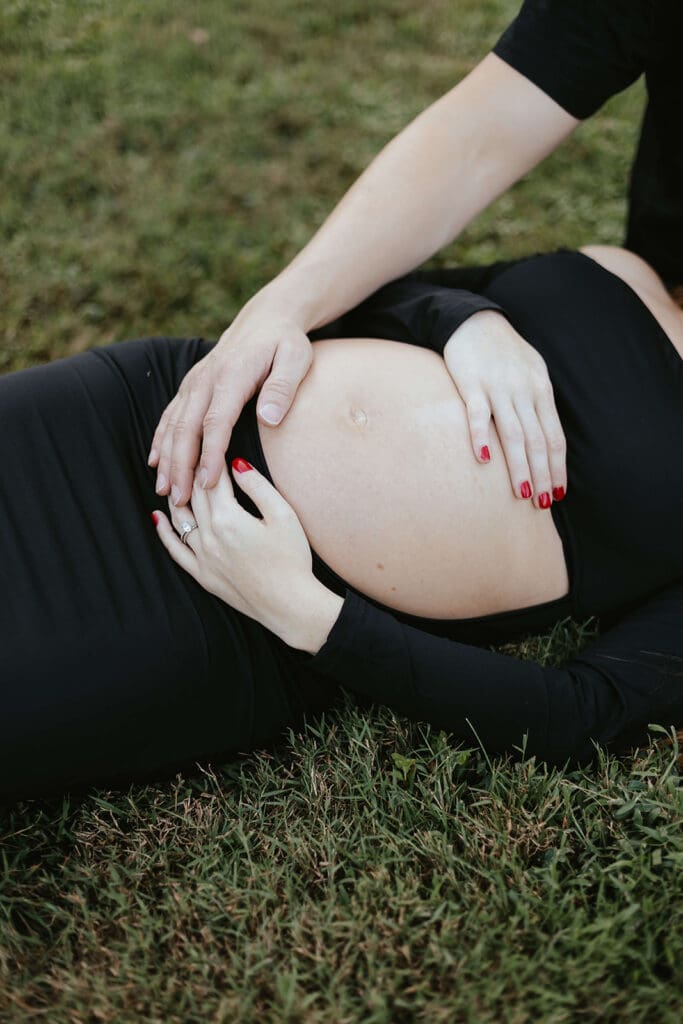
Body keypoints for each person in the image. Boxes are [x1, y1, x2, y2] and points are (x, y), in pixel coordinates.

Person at [1, 243, 681, 802]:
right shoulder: (625, 268)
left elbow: (584, 712)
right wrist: (473, 322)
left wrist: (312, 619)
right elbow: (372, 286)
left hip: (232, 608)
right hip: (152, 410)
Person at [147, 0, 683, 514]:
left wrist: (320, 614)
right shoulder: (619, 284)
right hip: (147, 407)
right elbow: (479, 138)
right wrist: (283, 306)